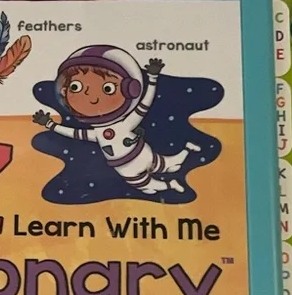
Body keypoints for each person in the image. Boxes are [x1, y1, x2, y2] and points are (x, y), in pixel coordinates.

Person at [34, 45, 200, 195]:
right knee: (145, 184)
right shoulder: (98, 132)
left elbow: (145, 103)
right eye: (76, 87)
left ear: (131, 90)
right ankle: (170, 184)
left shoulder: (125, 123)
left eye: (107, 89)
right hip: (124, 166)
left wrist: (152, 78)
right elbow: (74, 133)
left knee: (162, 164)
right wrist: (50, 124)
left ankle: (185, 152)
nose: (92, 98)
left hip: (140, 154)